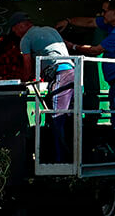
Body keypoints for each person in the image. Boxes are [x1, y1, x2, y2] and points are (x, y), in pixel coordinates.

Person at [57, 0, 115, 129]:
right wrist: (68, 21)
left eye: (105, 11)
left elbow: (95, 50)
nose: (102, 14)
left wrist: (72, 47)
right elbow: (91, 22)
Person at [9, 12, 74, 162]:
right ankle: (72, 158)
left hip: (61, 74)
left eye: (15, 30)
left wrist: (23, 83)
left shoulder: (26, 39)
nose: (16, 34)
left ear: (21, 25)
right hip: (73, 72)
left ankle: (60, 163)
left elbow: (27, 66)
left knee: (57, 118)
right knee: (71, 119)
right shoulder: (51, 30)